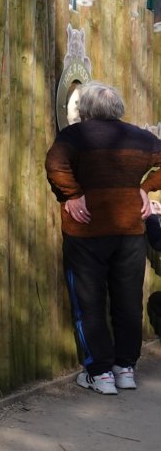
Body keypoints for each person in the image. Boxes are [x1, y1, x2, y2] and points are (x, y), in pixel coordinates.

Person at [45, 81, 161, 395]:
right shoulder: (139, 137)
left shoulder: (74, 135)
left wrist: (73, 194)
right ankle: (125, 369)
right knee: (128, 302)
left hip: (86, 231)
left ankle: (100, 373)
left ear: (86, 109)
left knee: (89, 302)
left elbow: (55, 164)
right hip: (130, 232)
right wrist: (145, 188)